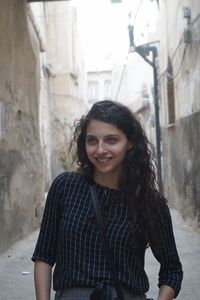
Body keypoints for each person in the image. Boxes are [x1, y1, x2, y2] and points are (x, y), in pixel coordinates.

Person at [32, 100, 183, 300]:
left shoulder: (149, 202)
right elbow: (44, 255)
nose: (100, 150)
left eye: (111, 140)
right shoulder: (65, 187)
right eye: (92, 141)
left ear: (130, 143)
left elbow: (172, 270)